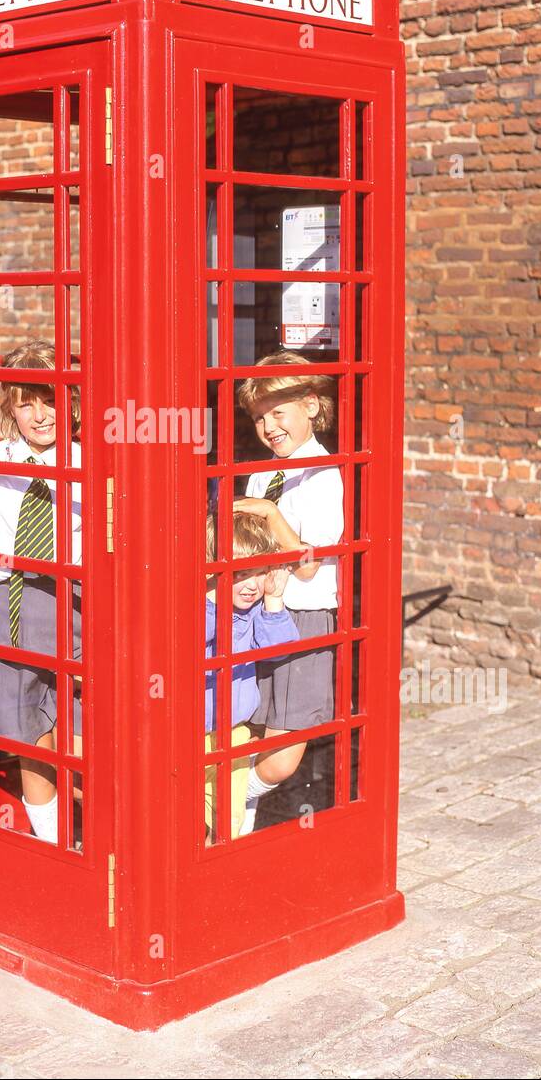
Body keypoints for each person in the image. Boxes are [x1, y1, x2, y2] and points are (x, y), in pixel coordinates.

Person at [0, 340, 81, 844]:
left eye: (49, 399)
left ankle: (106, 834)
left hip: (76, 602)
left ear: (70, 401)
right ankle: (57, 843)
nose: (39, 414)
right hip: (11, 603)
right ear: (9, 405)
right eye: (25, 401)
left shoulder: (92, 460)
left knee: (83, 729)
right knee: (27, 730)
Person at [233, 350, 343, 835]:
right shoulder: (263, 472)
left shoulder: (326, 473)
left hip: (304, 618)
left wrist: (269, 513)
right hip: (257, 615)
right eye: (259, 417)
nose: (269, 426)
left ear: (312, 406)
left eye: (279, 412)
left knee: (280, 758)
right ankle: (236, 829)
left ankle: (223, 796)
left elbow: (308, 564)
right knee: (247, 734)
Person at [204, 511, 299, 839]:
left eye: (260, 573)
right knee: (189, 817)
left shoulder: (256, 609)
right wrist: (213, 599)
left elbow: (280, 649)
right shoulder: (202, 608)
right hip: (190, 736)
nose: (253, 585)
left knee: (228, 816)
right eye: (241, 573)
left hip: (234, 733)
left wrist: (274, 600)